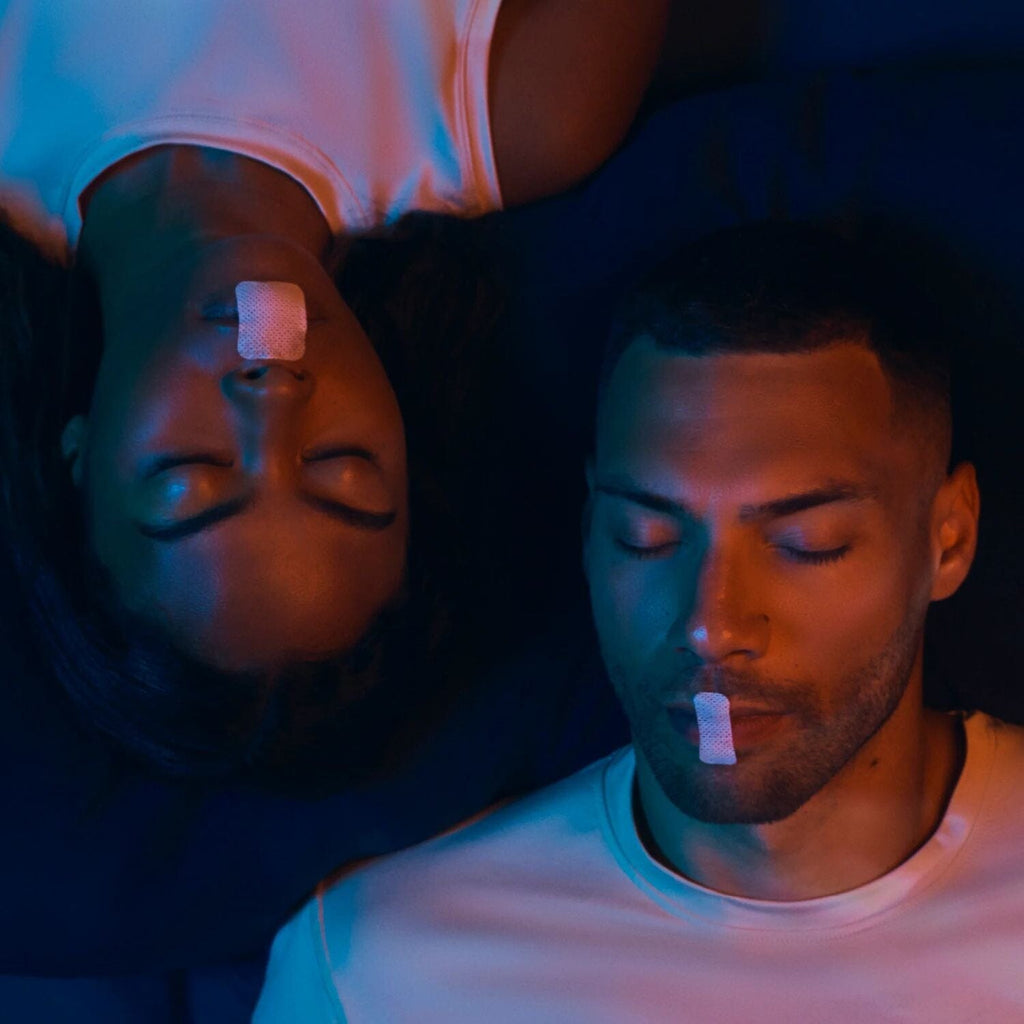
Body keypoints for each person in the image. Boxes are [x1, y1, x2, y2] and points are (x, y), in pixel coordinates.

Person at [255, 223, 1024, 1021]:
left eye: (807, 543)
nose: (711, 625)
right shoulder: (380, 974)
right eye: (646, 538)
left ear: (948, 539)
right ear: (590, 532)